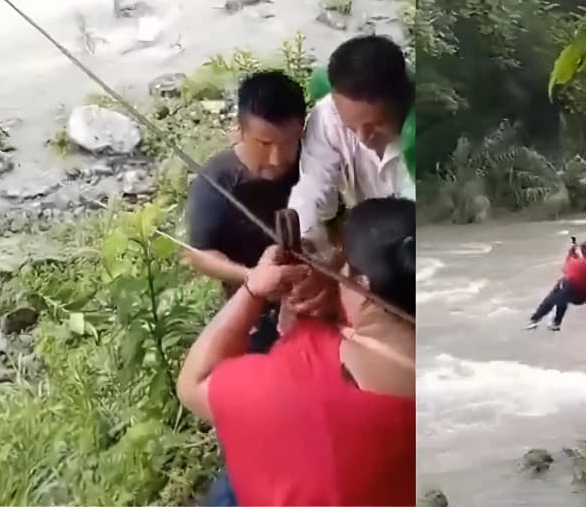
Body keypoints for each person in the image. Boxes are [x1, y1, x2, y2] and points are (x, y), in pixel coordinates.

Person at [176, 197, 416, 507]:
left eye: (342, 264)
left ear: (361, 283)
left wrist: (252, 290)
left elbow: (194, 383)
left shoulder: (295, 383)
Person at [184, 69, 306, 354]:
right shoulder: (218, 180)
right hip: (253, 301)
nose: (277, 159)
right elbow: (199, 255)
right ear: (239, 130)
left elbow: (337, 219)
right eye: (264, 144)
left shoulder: (313, 162)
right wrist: (253, 277)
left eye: (288, 143)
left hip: (310, 290)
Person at [287, 34, 415, 254]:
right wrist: (304, 241)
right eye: (351, 126)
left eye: (377, 125)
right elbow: (312, 188)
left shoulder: (422, 137)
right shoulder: (328, 117)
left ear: (402, 104)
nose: (363, 137)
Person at [525, 238, 586, 331]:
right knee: (560, 290)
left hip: (577, 294)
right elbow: (578, 264)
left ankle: (537, 319)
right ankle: (551, 322)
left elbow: (567, 267)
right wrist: (574, 253)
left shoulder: (583, 264)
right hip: (584, 296)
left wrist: (572, 252)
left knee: (561, 289)